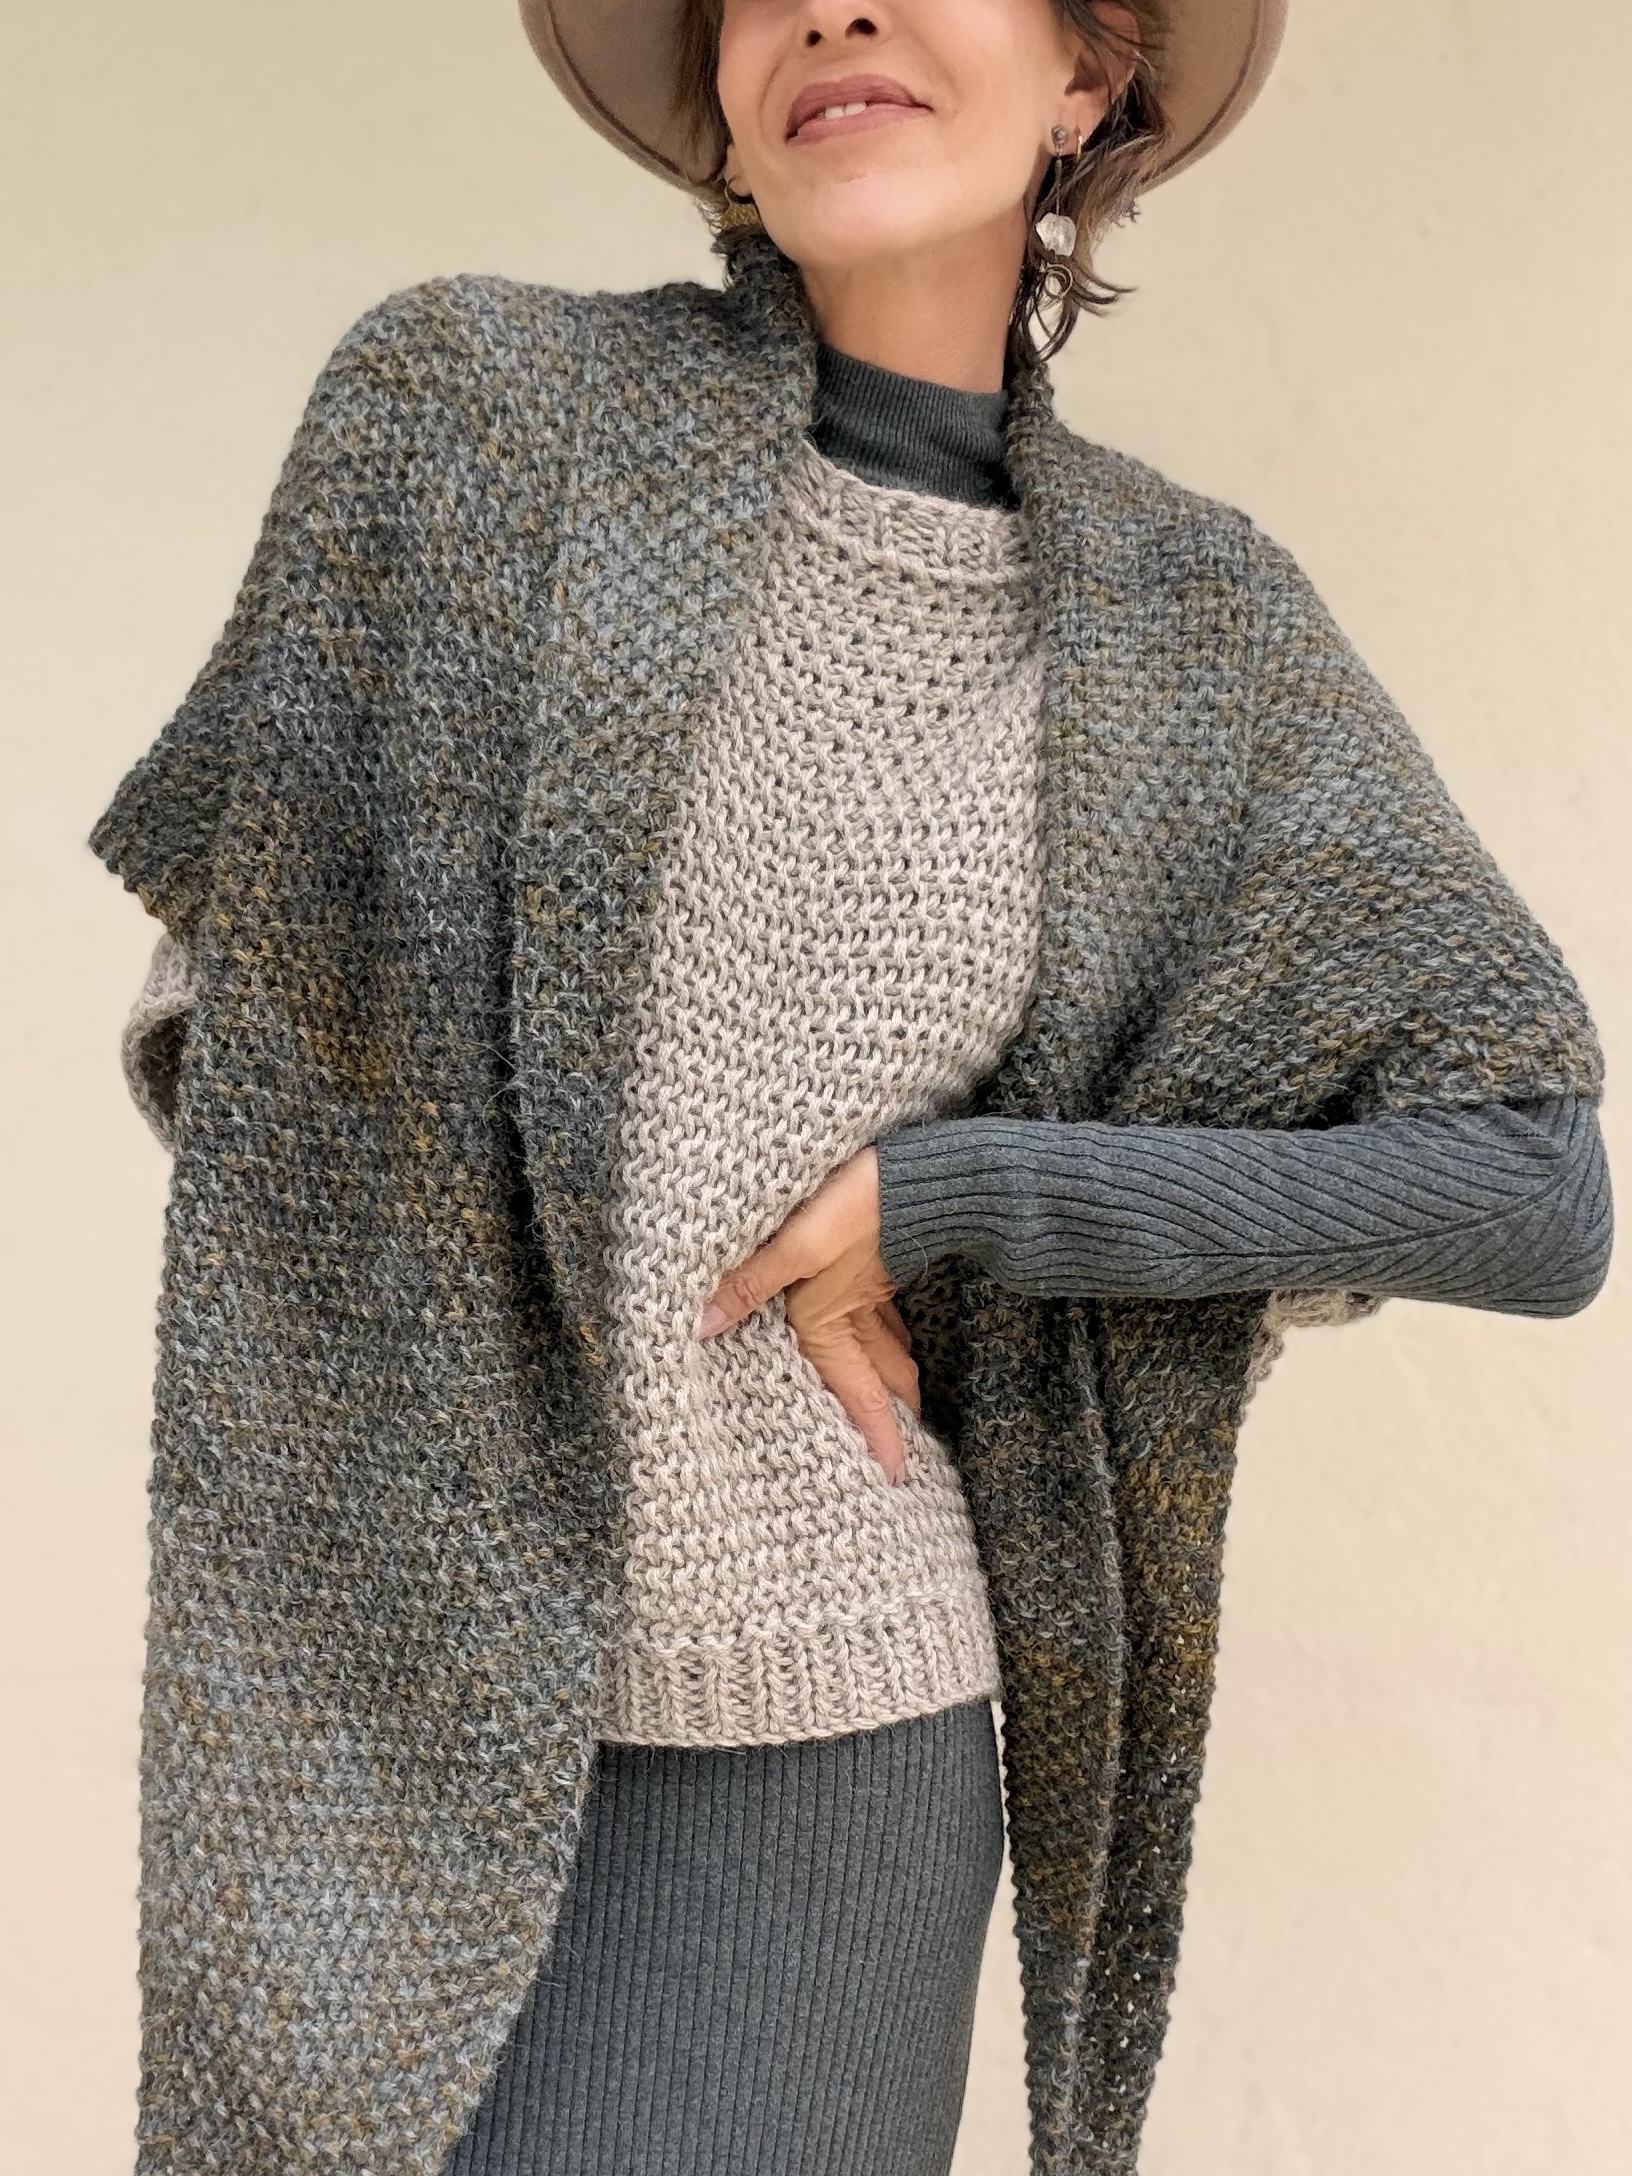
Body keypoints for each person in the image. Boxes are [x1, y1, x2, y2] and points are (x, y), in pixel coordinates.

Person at [94, 3, 1611, 2173]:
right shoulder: (476, 413)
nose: (833, 3)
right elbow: (246, 1043)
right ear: (727, 92)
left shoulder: (1193, 627)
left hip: (836, 1752)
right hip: (390, 1698)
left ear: (1089, 78)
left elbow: (1530, 1182)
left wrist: (964, 1197)